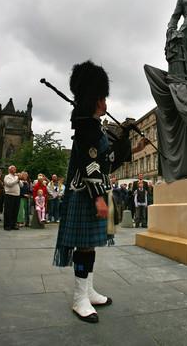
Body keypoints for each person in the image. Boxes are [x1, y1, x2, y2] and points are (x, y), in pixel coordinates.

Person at [53, 61, 131, 323]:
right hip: (87, 192)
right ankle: (79, 298)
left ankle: (89, 290)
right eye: (103, 97)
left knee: (91, 246)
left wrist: (130, 143)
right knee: (84, 246)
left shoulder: (94, 125)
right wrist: (98, 198)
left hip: (98, 189)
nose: (106, 102)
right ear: (97, 100)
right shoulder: (85, 126)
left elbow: (106, 162)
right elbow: (90, 164)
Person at [3, 165, 21, 231]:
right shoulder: (7, 177)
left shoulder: (16, 177)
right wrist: (17, 180)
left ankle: (13, 224)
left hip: (17, 195)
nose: (15, 169)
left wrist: (19, 180)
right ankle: (7, 225)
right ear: (9, 170)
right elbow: (9, 184)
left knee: (15, 211)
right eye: (13, 168)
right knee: (8, 211)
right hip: (9, 195)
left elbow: (21, 185)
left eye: (15, 168)